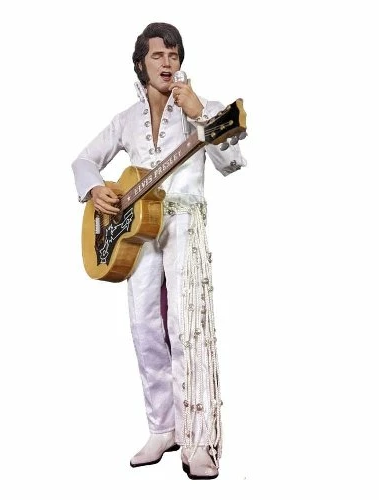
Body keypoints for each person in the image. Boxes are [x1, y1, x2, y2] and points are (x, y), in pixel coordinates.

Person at [71, 22, 246, 479]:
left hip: (184, 223)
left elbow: (231, 161)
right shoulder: (126, 119)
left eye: (173, 55)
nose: (167, 63)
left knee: (186, 326)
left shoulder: (201, 107)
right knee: (144, 326)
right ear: (141, 64)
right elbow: (84, 160)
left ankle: (199, 440)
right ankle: (163, 428)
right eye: (158, 55)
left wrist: (201, 116)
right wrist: (95, 189)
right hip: (137, 231)